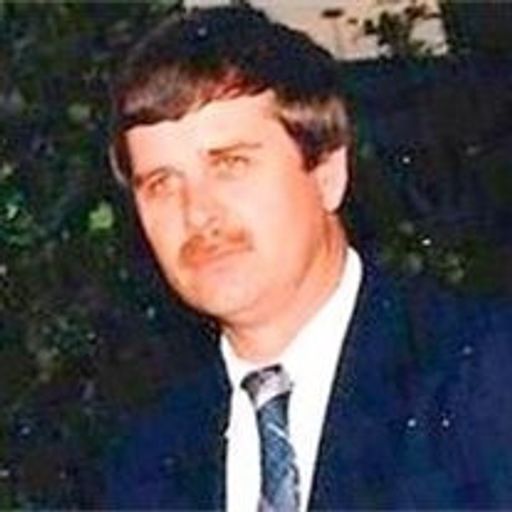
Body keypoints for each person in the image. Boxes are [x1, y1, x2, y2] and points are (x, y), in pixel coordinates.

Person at [103, 5, 512, 510]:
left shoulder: (484, 375)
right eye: (161, 184)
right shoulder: (146, 457)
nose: (198, 213)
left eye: (230, 164)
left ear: (326, 174)